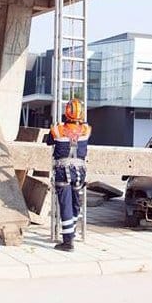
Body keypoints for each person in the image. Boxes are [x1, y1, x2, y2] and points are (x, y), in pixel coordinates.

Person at [48, 98, 90, 251]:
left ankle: (68, 241)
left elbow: (48, 141)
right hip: (79, 173)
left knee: (65, 205)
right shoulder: (86, 130)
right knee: (75, 203)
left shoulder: (57, 129)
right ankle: (71, 233)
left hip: (62, 172)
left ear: (66, 113)